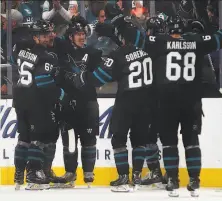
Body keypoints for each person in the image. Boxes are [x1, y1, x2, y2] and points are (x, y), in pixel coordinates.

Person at [65, 15, 158, 192]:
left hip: (127, 100)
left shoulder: (118, 54)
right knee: (139, 139)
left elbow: (100, 78)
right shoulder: (148, 50)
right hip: (147, 101)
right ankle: (137, 175)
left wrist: (82, 77)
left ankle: (123, 177)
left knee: (119, 139)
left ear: (121, 37)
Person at [143, 15, 222, 197]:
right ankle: (194, 179)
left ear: (169, 30)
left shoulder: (160, 41)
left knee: (169, 142)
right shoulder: (196, 41)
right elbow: (218, 39)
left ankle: (172, 179)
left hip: (167, 102)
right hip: (191, 101)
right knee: (192, 142)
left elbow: (139, 39)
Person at [12, 20, 67, 190]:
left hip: (20, 98)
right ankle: (34, 174)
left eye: (49, 33)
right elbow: (43, 81)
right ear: (35, 37)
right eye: (44, 35)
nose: (48, 37)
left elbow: (14, 58)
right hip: (36, 100)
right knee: (38, 138)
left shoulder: (20, 49)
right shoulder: (47, 56)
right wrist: (60, 94)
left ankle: (19, 174)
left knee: (24, 138)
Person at [50, 20, 101, 188]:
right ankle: (70, 173)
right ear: (71, 36)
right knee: (69, 140)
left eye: (83, 34)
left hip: (88, 103)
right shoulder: (63, 51)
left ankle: (88, 174)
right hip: (69, 105)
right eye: (78, 34)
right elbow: (55, 39)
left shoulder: (93, 53)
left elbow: (98, 78)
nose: (81, 37)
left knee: (89, 139)